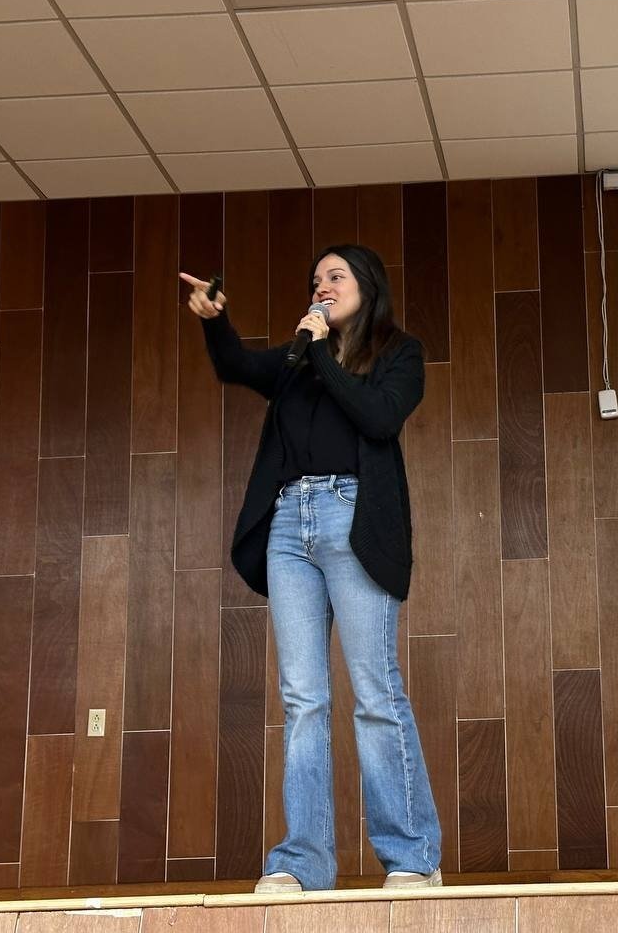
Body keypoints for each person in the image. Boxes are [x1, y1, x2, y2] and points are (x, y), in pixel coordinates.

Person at [180, 244, 441, 893]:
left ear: (366, 286)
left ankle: (411, 858)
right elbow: (236, 365)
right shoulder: (297, 361)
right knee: (303, 701)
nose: (321, 285)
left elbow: (379, 417)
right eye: (315, 278)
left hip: (353, 519)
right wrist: (214, 319)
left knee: (376, 693)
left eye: (335, 276)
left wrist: (320, 350)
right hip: (289, 527)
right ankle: (304, 863)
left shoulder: (397, 353)